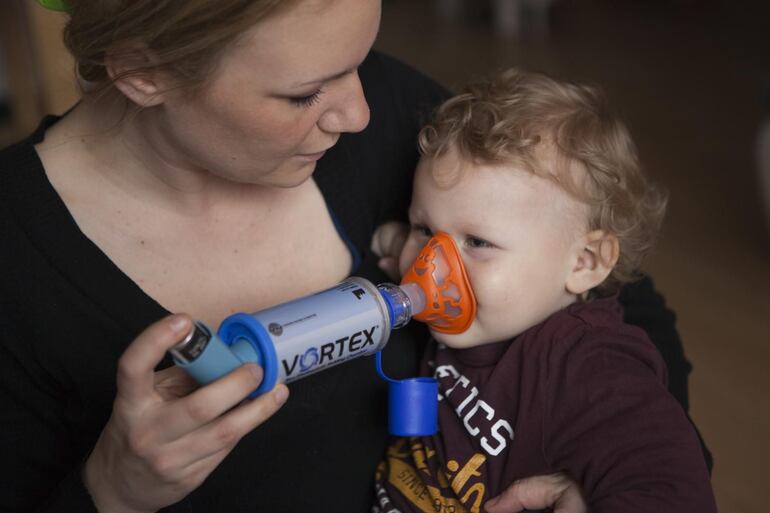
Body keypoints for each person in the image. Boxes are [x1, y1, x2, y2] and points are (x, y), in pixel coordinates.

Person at [0, 1, 702, 512]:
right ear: (143, 73)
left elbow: (624, 307)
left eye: (359, 60)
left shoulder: (386, 118)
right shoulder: (19, 263)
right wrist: (111, 491)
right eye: (304, 93)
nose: (358, 115)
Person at [371, 68, 717, 513]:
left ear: (584, 263)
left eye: (477, 243)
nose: (429, 270)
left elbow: (673, 493)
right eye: (425, 229)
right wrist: (397, 240)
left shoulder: (591, 368)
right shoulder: (486, 309)